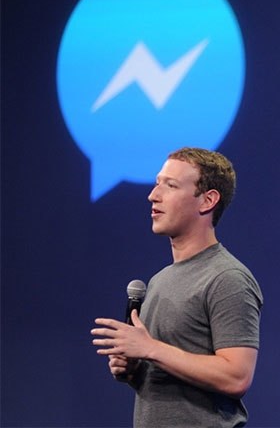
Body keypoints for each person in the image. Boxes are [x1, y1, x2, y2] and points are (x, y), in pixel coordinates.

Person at [91, 147, 263, 427]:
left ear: (207, 200)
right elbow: (169, 377)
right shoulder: (159, 281)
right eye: (157, 183)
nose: (153, 195)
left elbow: (236, 377)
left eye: (170, 186)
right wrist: (134, 369)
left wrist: (150, 349)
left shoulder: (227, 278)